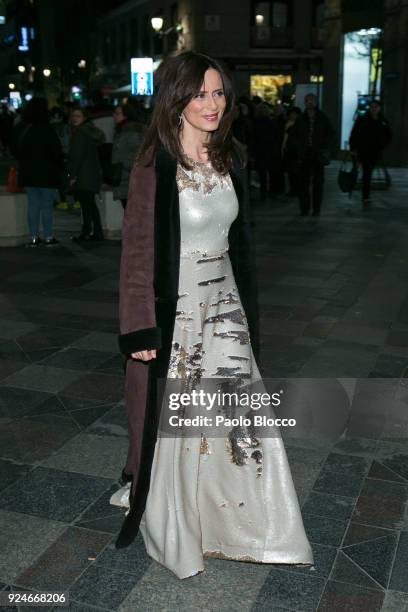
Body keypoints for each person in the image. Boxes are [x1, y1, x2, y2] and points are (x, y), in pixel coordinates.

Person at [111, 50, 313, 580]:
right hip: (175, 316)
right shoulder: (154, 166)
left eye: (219, 92)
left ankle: (246, 522)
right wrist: (139, 329)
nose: (212, 103)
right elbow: (136, 254)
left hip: (226, 311)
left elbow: (238, 246)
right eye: (200, 93)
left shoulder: (232, 158)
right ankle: (176, 518)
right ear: (175, 99)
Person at [12, 97, 63, 247]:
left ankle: (33, 237)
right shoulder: (46, 128)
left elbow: (14, 148)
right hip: (46, 173)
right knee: (47, 205)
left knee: (33, 205)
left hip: (27, 172)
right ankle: (48, 237)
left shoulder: (22, 127)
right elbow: (56, 151)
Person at [291, 93, 334, 216]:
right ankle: (304, 209)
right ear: (305, 103)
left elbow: (330, 134)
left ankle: (316, 209)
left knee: (318, 184)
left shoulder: (323, 118)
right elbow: (294, 135)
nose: (310, 103)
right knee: (303, 184)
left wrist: (324, 147)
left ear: (316, 102)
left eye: (312, 100)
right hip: (304, 155)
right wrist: (299, 148)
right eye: (307, 101)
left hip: (318, 154)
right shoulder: (301, 118)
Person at [68, 107, 105, 241]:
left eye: (78, 116)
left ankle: (86, 232)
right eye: (73, 116)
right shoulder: (89, 131)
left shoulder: (80, 133)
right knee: (90, 204)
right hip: (91, 173)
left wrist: (72, 176)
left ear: (84, 118)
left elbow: (76, 156)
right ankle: (97, 231)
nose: (74, 118)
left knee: (86, 205)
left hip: (83, 175)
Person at [349, 100, 392, 208]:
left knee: (368, 172)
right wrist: (353, 148)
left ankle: (366, 196)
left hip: (375, 151)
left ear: (379, 108)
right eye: (372, 107)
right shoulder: (362, 119)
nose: (374, 109)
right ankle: (366, 196)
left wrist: (383, 145)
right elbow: (354, 133)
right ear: (369, 108)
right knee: (367, 172)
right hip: (364, 150)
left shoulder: (382, 120)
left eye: (376, 107)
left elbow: (389, 134)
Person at [111, 102, 145, 208]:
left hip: (130, 178)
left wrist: (124, 164)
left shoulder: (132, 132)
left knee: (132, 213)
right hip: (125, 178)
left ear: (126, 115)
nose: (114, 116)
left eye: (117, 113)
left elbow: (139, 154)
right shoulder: (122, 131)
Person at [282, 106, 301, 196]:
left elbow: (285, 138)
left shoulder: (290, 124)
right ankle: (295, 189)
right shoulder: (298, 123)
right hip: (293, 150)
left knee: (292, 171)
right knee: (292, 171)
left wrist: (283, 147)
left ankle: (294, 189)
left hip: (292, 150)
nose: (292, 115)